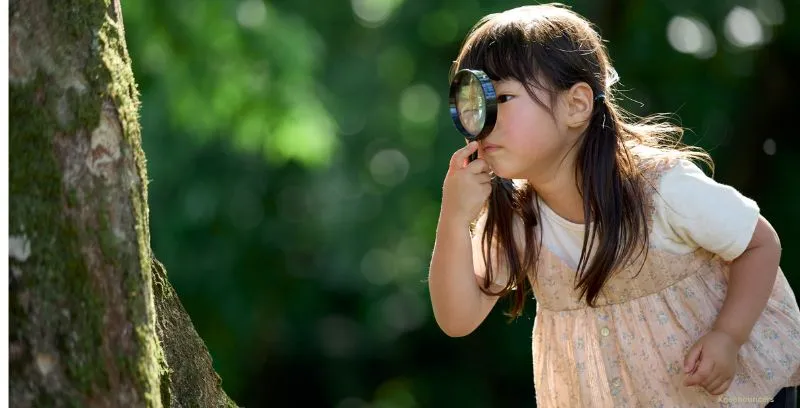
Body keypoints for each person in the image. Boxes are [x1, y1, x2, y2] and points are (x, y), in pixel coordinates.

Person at [427, 4, 800, 407]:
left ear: (576, 105)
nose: (484, 118)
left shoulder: (660, 188)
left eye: (501, 96)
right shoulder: (521, 217)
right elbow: (457, 318)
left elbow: (759, 244)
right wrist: (454, 214)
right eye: (475, 100)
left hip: (737, 394)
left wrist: (728, 336)